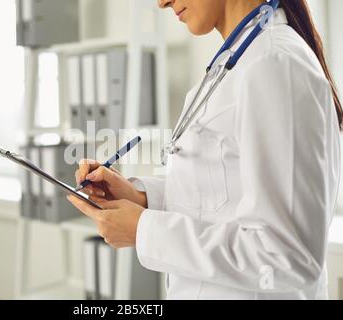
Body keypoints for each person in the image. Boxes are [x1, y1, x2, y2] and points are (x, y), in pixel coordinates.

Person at [67, 0, 342, 299]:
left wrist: (145, 230)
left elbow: (288, 257)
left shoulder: (275, 64)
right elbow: (221, 194)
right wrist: (141, 199)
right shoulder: (238, 62)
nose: (162, 3)